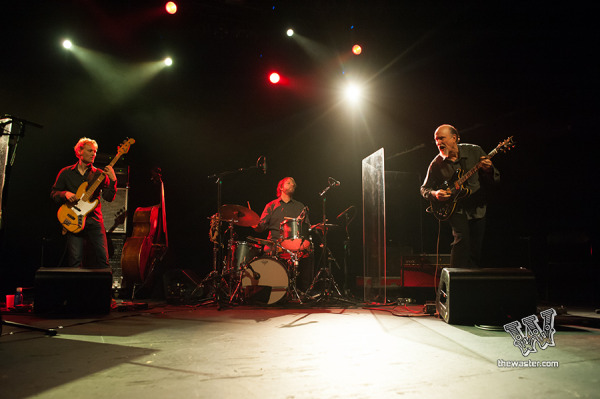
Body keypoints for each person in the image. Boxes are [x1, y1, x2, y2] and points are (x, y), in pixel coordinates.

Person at [420, 124, 500, 268]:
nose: (438, 143)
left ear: (455, 138)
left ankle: (471, 283)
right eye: (436, 139)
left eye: (442, 138)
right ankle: (454, 280)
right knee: (462, 240)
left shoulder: (474, 151)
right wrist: (435, 194)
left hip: (477, 207)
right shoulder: (436, 164)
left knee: (476, 249)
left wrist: (489, 170)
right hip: (455, 208)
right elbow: (424, 189)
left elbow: (495, 180)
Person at [51, 137, 117, 269]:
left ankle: (103, 289)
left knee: (103, 260)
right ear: (79, 152)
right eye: (90, 150)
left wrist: (113, 180)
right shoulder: (66, 173)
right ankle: (77, 289)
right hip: (74, 219)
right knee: (75, 261)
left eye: (95, 151)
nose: (94, 154)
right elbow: (54, 194)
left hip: (94, 220)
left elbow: (109, 197)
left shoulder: (99, 174)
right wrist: (65, 194)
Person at [254, 177, 312, 290]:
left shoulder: (300, 206)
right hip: (274, 243)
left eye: (294, 184)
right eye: (289, 183)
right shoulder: (271, 205)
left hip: (294, 244)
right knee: (266, 250)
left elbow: (306, 226)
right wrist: (254, 224)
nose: (292, 185)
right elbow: (261, 227)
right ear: (281, 187)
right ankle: (268, 288)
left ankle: (303, 291)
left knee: (309, 252)